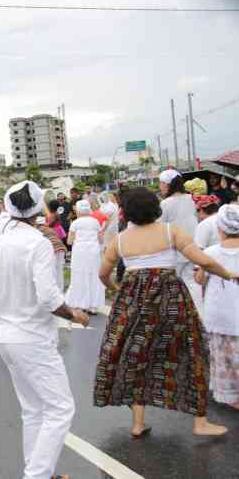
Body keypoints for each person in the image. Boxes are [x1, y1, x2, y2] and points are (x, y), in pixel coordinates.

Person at [95, 187, 236, 437]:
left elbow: (103, 274)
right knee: (192, 352)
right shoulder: (171, 231)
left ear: (127, 212)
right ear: (155, 207)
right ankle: (200, 423)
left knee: (135, 356)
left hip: (133, 302)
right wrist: (228, 274)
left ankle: (138, 423)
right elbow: (203, 260)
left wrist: (117, 289)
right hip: (171, 300)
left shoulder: (120, 240)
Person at [0, 181, 89, 479]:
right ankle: (37, 475)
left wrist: (13, 303)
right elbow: (48, 297)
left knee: (33, 410)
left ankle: (38, 470)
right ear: (39, 207)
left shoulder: (2, 240)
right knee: (60, 408)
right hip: (32, 337)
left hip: (7, 335)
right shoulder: (37, 243)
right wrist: (74, 314)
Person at [196, 204, 239, 410]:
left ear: (220, 229)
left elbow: (199, 279)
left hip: (220, 313)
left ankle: (231, 396)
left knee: (224, 356)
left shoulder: (211, 252)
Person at [159, 169, 202, 310]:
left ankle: (182, 312)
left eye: (161, 183)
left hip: (175, 248)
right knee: (192, 281)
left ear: (167, 184)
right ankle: (199, 312)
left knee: (175, 284)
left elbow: (160, 227)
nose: (160, 187)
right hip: (193, 245)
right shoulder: (191, 198)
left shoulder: (165, 203)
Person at [65, 200, 106, 315]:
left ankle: (80, 303)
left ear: (78, 210)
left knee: (79, 276)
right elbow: (101, 239)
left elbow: (69, 241)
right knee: (93, 276)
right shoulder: (95, 222)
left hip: (80, 252)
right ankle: (93, 306)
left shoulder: (75, 223)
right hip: (93, 252)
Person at [35, 216, 67, 292]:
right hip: (61, 248)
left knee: (52, 271)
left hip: (53, 249)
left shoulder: (38, 230)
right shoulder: (50, 229)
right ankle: (60, 290)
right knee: (59, 270)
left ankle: (54, 290)